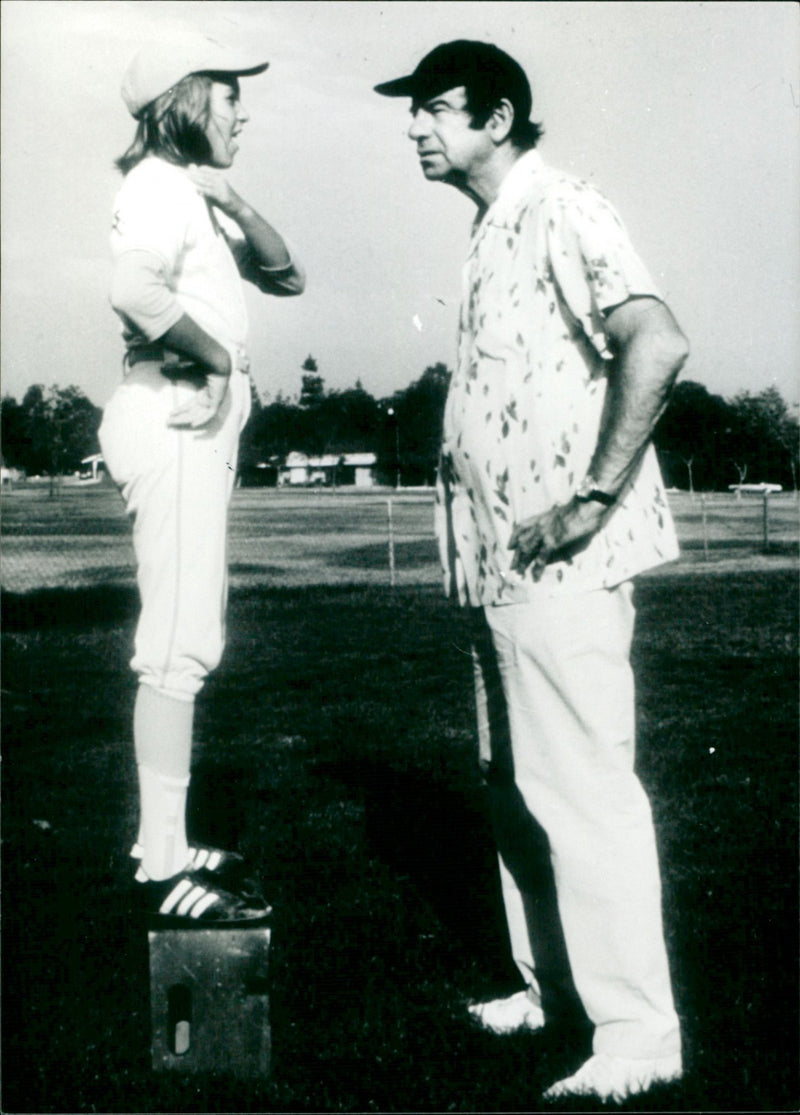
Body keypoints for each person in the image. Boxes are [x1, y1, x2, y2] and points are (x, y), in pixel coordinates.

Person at [375, 41, 688, 1102]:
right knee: (512, 783)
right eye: (411, 112)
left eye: (435, 109)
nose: (416, 127)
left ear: (498, 117)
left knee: (581, 788)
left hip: (564, 558)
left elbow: (655, 339)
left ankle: (638, 1037)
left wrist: (592, 494)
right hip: (495, 563)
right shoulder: (487, 229)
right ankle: (545, 985)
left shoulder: (563, 205)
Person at [99, 30, 305, 926]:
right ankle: (160, 869)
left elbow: (289, 276)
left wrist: (234, 197)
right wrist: (219, 359)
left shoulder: (189, 192)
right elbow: (134, 292)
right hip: (177, 413)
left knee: (190, 634)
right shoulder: (152, 188)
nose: (243, 111)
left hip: (192, 418)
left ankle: (168, 844)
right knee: (178, 643)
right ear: (185, 103)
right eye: (228, 96)